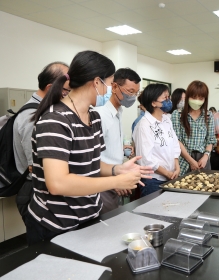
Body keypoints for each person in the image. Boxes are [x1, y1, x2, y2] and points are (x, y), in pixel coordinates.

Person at [26, 51, 152, 245]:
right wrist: (116, 181)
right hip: (56, 224)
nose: (110, 90)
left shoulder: (92, 117)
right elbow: (57, 183)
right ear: (96, 82)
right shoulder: (55, 120)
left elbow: (91, 164)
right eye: (109, 84)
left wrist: (116, 169)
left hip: (88, 216)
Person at [14, 62, 69, 220]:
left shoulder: (47, 112)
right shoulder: (32, 116)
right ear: (51, 87)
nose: (68, 93)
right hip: (34, 190)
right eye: (66, 89)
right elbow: (35, 166)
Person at [94, 68, 140, 213]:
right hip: (102, 184)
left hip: (116, 180)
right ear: (114, 87)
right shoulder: (100, 115)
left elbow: (107, 147)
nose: (133, 97)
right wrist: (114, 182)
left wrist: (122, 149)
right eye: (130, 91)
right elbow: (93, 159)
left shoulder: (118, 113)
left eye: (136, 93)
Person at [134, 84, 181, 197]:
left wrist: (177, 168)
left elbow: (175, 146)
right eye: (164, 98)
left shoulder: (166, 120)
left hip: (171, 177)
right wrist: (167, 173)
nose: (168, 101)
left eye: (168, 97)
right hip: (153, 181)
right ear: (153, 103)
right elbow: (145, 159)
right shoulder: (144, 125)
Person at [171, 80, 216, 176]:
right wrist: (191, 161)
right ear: (188, 97)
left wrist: (205, 156)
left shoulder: (208, 115)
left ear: (205, 99)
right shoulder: (177, 114)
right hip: (183, 159)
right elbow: (176, 140)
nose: (197, 100)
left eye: (201, 98)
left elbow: (210, 139)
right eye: (194, 97)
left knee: (205, 186)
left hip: (203, 160)